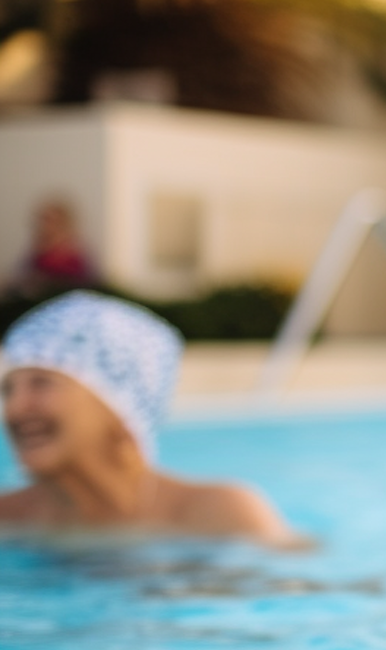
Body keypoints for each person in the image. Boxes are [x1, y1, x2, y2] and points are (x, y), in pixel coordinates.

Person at [0, 290, 292, 541]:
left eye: (41, 383)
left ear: (116, 401)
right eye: (8, 389)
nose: (15, 407)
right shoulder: (8, 519)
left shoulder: (222, 515)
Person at [5, 197, 99, 299]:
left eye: (48, 219)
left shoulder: (75, 252)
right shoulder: (36, 251)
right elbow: (21, 277)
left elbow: (86, 283)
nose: (44, 225)